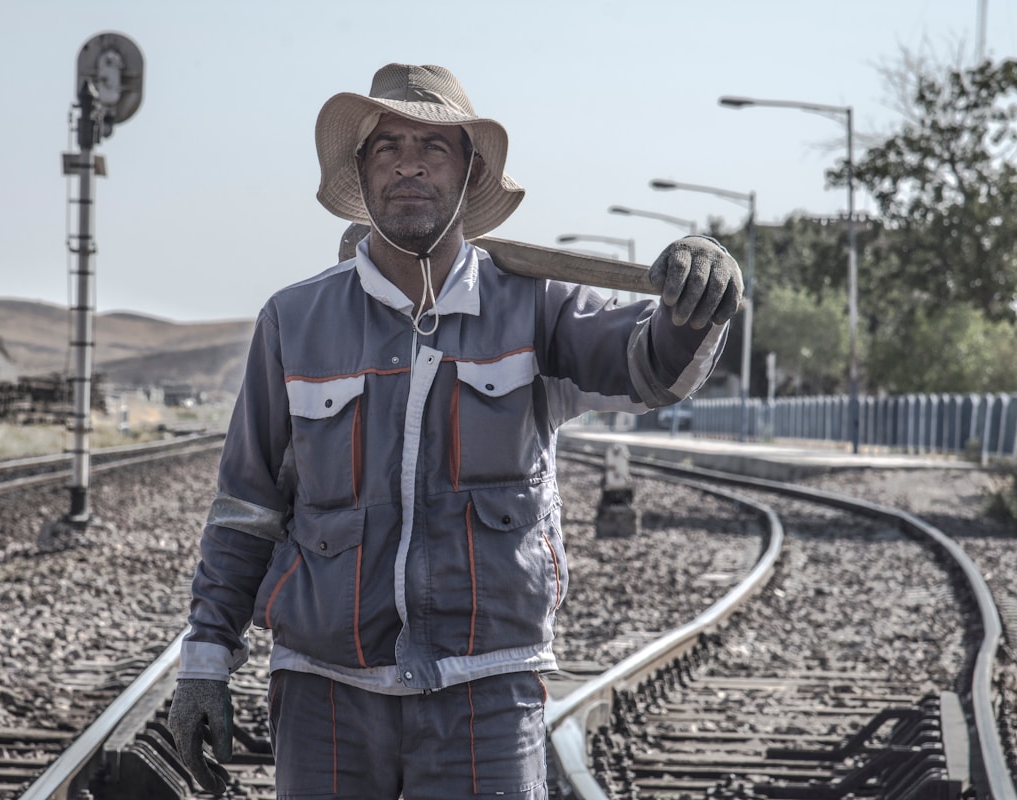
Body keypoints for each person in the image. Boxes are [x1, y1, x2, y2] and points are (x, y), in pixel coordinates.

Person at [168, 63, 742, 798]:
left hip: (487, 690)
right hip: (325, 692)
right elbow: (246, 508)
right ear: (363, 172)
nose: (409, 163)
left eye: (433, 146)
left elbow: (648, 367)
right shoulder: (295, 322)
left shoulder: (538, 309)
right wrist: (205, 662)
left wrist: (696, 301)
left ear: (469, 173)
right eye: (387, 146)